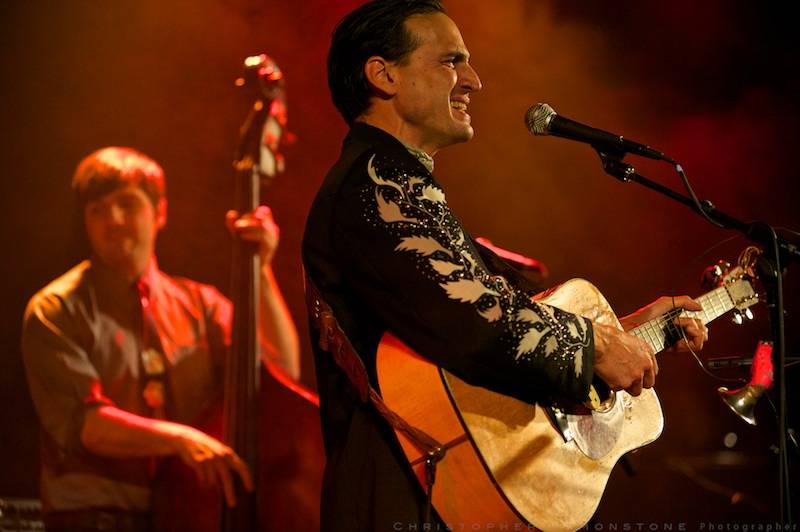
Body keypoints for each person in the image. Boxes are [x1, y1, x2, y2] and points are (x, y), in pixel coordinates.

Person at [302, 1, 709, 531]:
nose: (473, 80)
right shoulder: (376, 184)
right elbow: (474, 318)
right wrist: (597, 344)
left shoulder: (399, 184)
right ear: (383, 74)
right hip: (404, 498)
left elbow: (486, 316)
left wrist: (629, 330)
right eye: (451, 61)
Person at [21, 146, 300, 531]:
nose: (113, 219)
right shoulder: (56, 309)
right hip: (93, 520)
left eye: (127, 204)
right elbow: (86, 426)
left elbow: (280, 371)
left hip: (188, 517)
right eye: (97, 209)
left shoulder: (201, 305)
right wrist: (181, 439)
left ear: (160, 212)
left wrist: (262, 270)